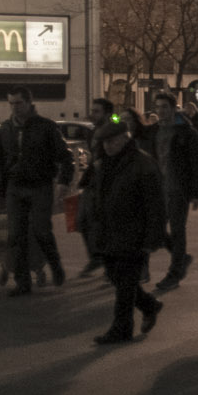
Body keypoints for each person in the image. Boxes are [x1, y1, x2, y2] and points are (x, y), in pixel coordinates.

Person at [87, 115, 167, 344]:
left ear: (125, 138)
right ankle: (150, 305)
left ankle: (121, 328)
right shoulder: (104, 164)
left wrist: (154, 236)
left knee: (125, 283)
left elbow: (156, 204)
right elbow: (98, 196)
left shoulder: (143, 164)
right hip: (110, 230)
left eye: (112, 141)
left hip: (134, 233)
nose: (108, 146)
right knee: (117, 277)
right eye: (104, 142)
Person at [0, 87, 74, 294]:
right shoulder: (5, 129)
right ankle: (23, 283)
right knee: (16, 235)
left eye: (18, 103)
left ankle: (55, 265)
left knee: (41, 230)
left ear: (29, 103)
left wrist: (63, 182)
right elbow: (1, 162)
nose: (15, 108)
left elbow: (66, 157)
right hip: (15, 187)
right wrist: (1, 191)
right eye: (11, 103)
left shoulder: (46, 127)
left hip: (39, 185)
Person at [150, 93, 198, 291]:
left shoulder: (186, 132)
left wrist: (197, 191)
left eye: (165, 107)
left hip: (178, 189)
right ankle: (181, 258)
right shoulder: (155, 131)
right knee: (154, 228)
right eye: (158, 107)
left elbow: (197, 163)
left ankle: (174, 273)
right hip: (159, 189)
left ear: (174, 108)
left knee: (177, 230)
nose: (161, 111)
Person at [75, 98, 118, 278]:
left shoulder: (115, 132)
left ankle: (110, 263)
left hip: (108, 183)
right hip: (93, 182)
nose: (92, 114)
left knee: (105, 225)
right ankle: (97, 257)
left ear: (107, 114)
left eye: (97, 111)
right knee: (83, 221)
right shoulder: (92, 132)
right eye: (92, 110)